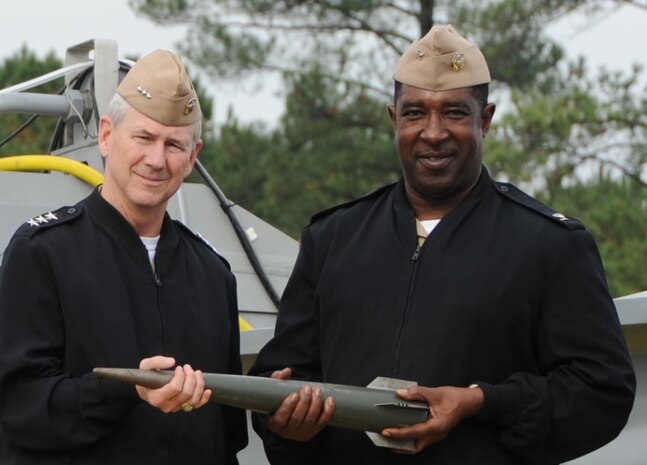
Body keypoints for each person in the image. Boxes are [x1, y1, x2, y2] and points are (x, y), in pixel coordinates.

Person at [248, 24, 636, 464]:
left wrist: (481, 402)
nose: (433, 133)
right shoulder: (333, 239)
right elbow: (281, 377)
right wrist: (285, 423)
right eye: (415, 113)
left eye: (453, 112)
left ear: (484, 119)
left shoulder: (549, 245)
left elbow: (601, 391)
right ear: (394, 119)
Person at [0, 49, 247, 464]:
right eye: (144, 138)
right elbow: (18, 405)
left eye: (173, 145)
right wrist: (126, 389)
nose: (156, 159)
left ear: (193, 157)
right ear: (107, 135)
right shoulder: (41, 251)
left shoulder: (212, 276)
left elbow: (225, 438)